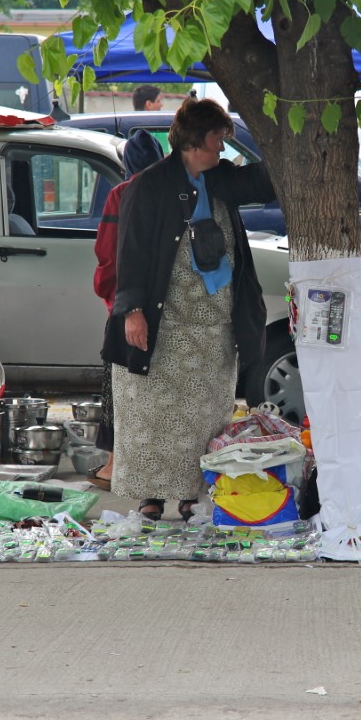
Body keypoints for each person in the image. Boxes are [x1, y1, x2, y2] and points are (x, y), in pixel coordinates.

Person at [108, 99, 275, 521]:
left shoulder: (220, 179)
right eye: (218, 139)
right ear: (195, 140)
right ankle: (151, 497)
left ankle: (191, 496)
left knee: (204, 417)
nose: (222, 148)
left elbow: (265, 181)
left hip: (212, 326)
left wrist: (277, 135)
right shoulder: (149, 186)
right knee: (152, 416)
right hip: (164, 325)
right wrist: (132, 311)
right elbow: (130, 252)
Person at [87, 130, 165, 490]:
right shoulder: (174, 193)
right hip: (164, 308)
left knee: (120, 390)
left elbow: (107, 256)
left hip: (127, 310)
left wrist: (114, 301)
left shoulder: (121, 194)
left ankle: (114, 466)